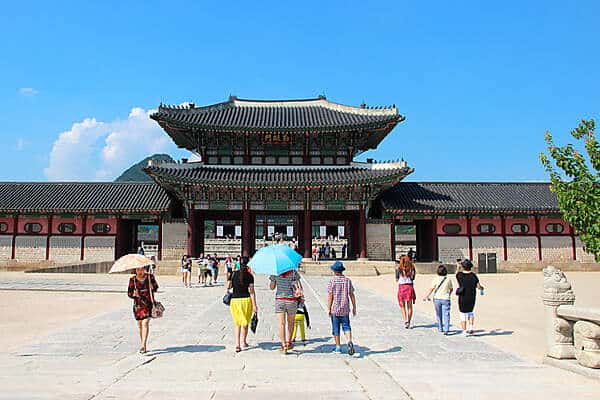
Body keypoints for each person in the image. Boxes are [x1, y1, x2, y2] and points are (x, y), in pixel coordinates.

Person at [228, 256, 257, 352]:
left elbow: (228, 286)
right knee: (245, 322)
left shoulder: (233, 274)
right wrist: (255, 305)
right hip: (246, 300)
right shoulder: (250, 276)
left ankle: (237, 344)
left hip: (235, 301)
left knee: (237, 323)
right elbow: (252, 292)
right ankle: (244, 342)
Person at [127, 265, 159, 354]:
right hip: (138, 305)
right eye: (137, 269)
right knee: (140, 325)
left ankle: (143, 345)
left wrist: (152, 287)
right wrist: (134, 294)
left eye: (141, 269)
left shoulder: (150, 277)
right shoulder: (132, 280)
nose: (140, 271)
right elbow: (129, 293)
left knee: (145, 323)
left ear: (144, 269)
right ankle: (142, 343)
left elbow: (156, 287)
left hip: (148, 303)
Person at [327, 261, 356, 355]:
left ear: (334, 271)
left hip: (335, 308)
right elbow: (351, 294)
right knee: (346, 326)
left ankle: (338, 347)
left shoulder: (332, 281)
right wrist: (354, 306)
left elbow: (330, 295)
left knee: (336, 328)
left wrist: (328, 308)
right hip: (345, 307)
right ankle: (349, 341)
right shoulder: (348, 281)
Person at [269, 269, 302, 354]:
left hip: (280, 300)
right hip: (291, 300)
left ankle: (283, 345)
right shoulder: (293, 272)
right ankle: (289, 342)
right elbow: (298, 287)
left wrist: (274, 280)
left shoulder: (275, 272)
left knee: (281, 323)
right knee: (291, 322)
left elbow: (272, 287)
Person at [456, 259, 484, 336]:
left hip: (462, 296)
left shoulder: (460, 275)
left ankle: (464, 331)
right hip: (472, 296)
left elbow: (457, 273)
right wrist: (482, 288)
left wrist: (458, 266)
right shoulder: (473, 276)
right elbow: (478, 286)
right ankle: (471, 327)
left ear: (463, 267)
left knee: (463, 313)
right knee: (470, 312)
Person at [423, 265, 453, 335]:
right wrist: (448, 294)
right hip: (446, 298)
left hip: (437, 298)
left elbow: (432, 288)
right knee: (446, 314)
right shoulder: (448, 279)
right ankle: (446, 329)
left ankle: (440, 327)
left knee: (438, 313)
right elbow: (451, 289)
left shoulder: (436, 278)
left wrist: (427, 296)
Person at [395, 255, 416, 329]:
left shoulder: (398, 268)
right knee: (409, 306)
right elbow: (413, 278)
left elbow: (397, 279)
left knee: (402, 305)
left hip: (402, 287)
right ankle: (409, 322)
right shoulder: (412, 268)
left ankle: (405, 320)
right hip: (409, 287)